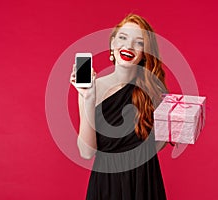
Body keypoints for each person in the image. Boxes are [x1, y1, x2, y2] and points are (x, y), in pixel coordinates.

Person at [70, 13, 168, 200]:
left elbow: (156, 145)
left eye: (138, 42)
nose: (129, 46)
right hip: (107, 184)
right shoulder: (91, 88)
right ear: (113, 44)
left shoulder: (153, 90)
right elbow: (86, 152)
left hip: (144, 181)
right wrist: (88, 98)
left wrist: (179, 127)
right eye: (123, 38)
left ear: (144, 53)